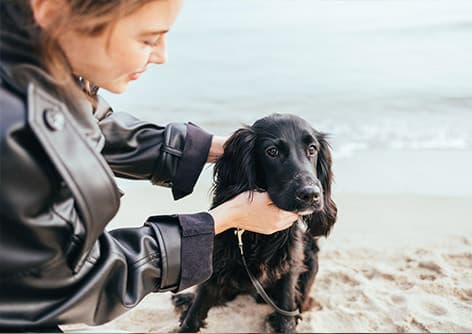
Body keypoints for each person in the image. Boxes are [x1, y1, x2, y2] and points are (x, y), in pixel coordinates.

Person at [0, 0, 299, 331]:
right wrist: (218, 222)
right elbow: (62, 283)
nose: (161, 55)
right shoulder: (12, 129)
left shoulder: (36, 67)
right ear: (52, 9)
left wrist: (211, 148)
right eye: (147, 39)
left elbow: (93, 129)